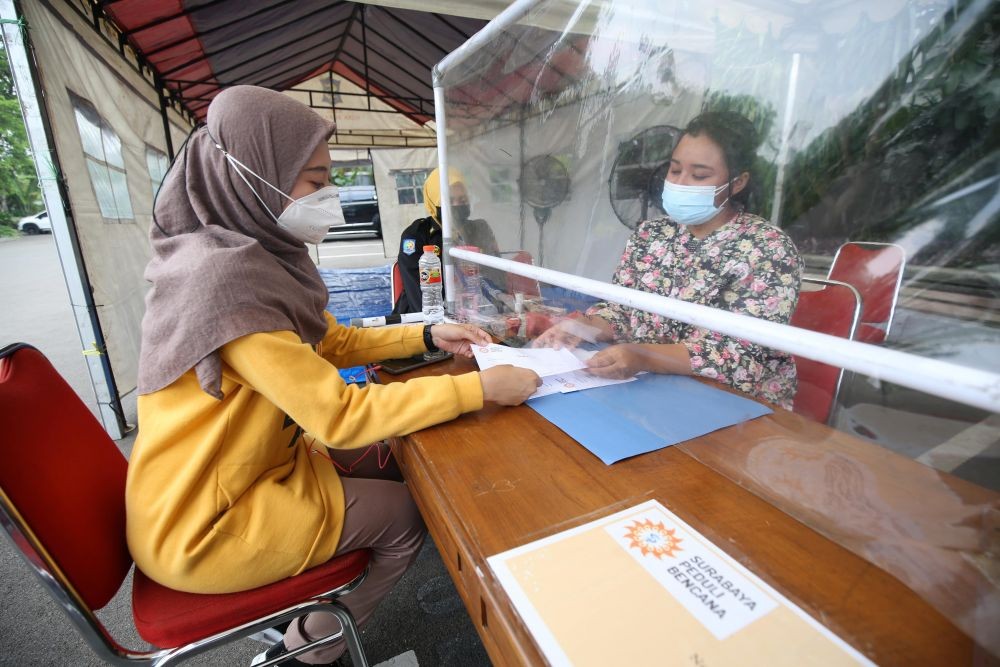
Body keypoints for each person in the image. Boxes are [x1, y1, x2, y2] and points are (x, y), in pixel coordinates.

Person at [126, 86, 539, 667]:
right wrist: (478, 388)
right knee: (403, 516)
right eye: (315, 182)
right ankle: (309, 652)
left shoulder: (243, 257)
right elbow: (338, 416)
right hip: (203, 522)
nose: (329, 199)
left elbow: (330, 340)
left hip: (224, 478)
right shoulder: (228, 288)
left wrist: (425, 335)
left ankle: (310, 616)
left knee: (389, 464)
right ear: (252, 175)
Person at [535, 111, 802, 409]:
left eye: (699, 175)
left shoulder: (767, 248)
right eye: (675, 171)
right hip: (649, 390)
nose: (682, 183)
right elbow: (623, 312)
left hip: (735, 407)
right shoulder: (651, 235)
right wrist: (581, 328)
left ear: (737, 183)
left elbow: (741, 358)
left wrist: (642, 356)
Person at [392, 167, 502, 314]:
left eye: (462, 200)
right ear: (433, 201)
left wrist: (505, 300)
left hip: (479, 311)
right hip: (428, 318)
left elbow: (496, 275)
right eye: (449, 201)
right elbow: (418, 295)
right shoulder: (417, 235)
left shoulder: (479, 229)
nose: (457, 205)